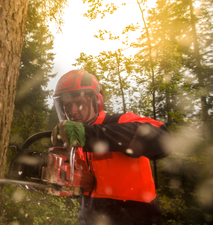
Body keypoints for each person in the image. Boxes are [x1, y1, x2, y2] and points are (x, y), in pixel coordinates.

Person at [51, 70, 170, 225]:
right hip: (89, 217)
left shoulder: (121, 121)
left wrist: (89, 135)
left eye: (80, 103)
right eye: (67, 105)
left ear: (97, 101)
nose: (72, 111)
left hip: (135, 217)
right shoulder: (78, 141)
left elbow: (163, 139)